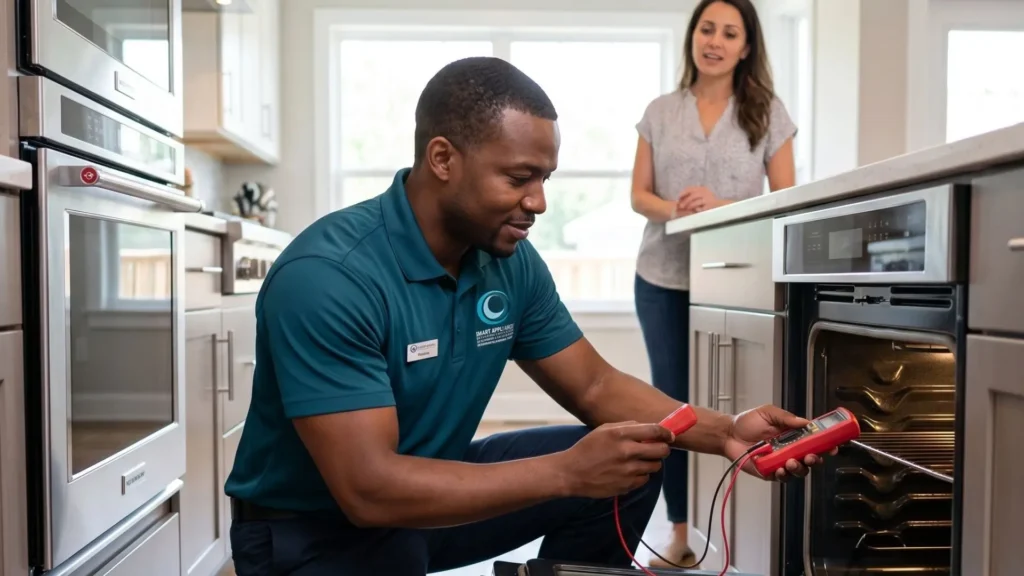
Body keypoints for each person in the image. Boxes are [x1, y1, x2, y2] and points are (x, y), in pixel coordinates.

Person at [224, 55, 818, 575]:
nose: (538, 202)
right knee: (576, 471)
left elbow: (594, 383)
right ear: (442, 159)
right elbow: (369, 489)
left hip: (430, 485)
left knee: (633, 458)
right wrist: (566, 473)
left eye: (545, 178)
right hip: (313, 530)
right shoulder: (329, 276)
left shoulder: (506, 259)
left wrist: (724, 434)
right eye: (518, 178)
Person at [629, 0, 798, 568]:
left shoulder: (767, 112)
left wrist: (720, 205)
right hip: (662, 276)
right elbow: (639, 196)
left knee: (736, 403)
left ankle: (747, 531)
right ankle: (679, 532)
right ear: (693, 36)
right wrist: (680, 207)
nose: (716, 41)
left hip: (738, 281)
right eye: (708, 28)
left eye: (730, 32)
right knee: (672, 407)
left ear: (746, 46)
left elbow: (784, 197)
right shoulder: (659, 111)